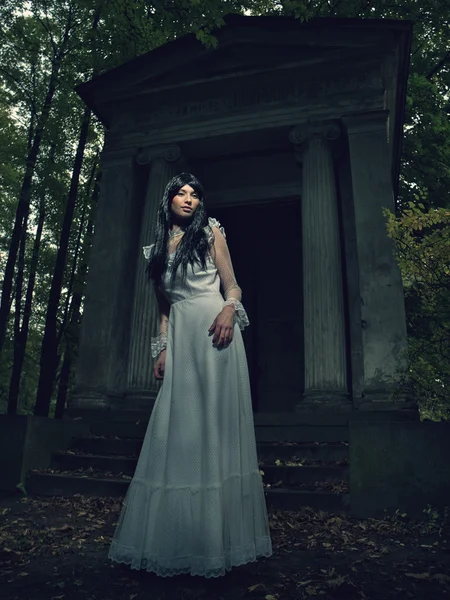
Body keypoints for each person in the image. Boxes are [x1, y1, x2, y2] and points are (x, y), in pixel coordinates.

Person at [108, 173, 272, 578]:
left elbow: (232, 286)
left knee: (213, 429)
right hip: (181, 342)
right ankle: (175, 540)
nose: (188, 199)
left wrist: (228, 312)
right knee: (177, 431)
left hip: (216, 336)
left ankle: (216, 542)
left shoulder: (211, 233)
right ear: (167, 201)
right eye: (180, 193)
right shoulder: (155, 252)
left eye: (195, 194)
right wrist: (161, 347)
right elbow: (164, 308)